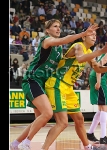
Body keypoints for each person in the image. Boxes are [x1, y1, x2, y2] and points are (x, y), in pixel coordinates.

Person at [10, 20, 100, 150]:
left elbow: (63, 66)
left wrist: (75, 71)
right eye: (55, 26)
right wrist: (83, 34)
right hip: (33, 79)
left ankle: (15, 144)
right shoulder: (47, 40)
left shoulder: (58, 49)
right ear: (47, 30)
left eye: (59, 26)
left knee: (40, 120)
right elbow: (65, 40)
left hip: (45, 83)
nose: (58, 29)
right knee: (47, 113)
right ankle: (26, 143)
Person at [42, 30, 107, 150]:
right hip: (57, 84)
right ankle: (44, 148)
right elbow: (80, 59)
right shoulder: (78, 46)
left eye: (96, 35)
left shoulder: (89, 52)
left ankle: (87, 146)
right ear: (83, 37)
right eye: (91, 35)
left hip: (68, 88)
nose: (94, 37)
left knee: (79, 119)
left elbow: (98, 69)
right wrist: (100, 52)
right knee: (63, 122)